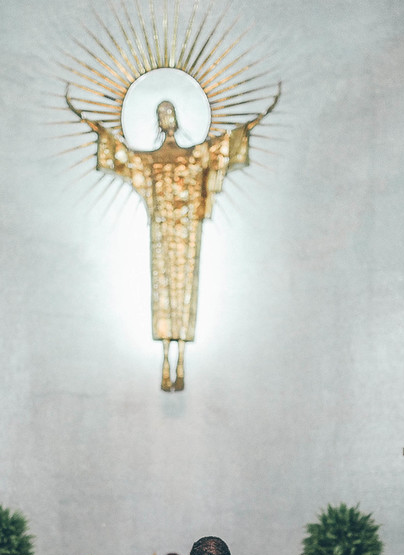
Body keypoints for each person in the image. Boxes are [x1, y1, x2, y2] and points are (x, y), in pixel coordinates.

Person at [66, 89, 279, 391]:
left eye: (170, 114)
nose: (167, 119)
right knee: (163, 289)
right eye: (161, 115)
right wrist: (96, 128)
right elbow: (122, 154)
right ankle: (166, 359)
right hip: (162, 233)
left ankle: (180, 361)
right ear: (157, 122)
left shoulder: (194, 156)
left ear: (177, 120)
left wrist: (253, 123)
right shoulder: (150, 160)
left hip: (188, 233)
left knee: (185, 289)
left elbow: (223, 146)